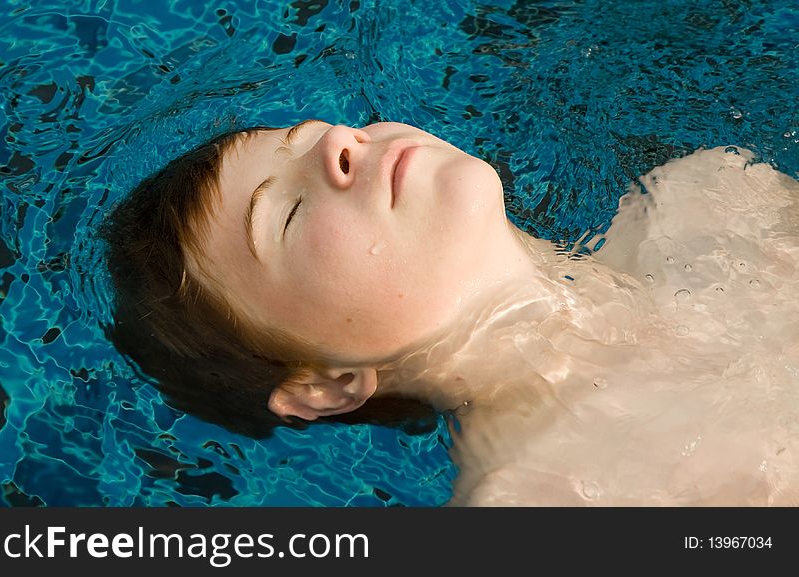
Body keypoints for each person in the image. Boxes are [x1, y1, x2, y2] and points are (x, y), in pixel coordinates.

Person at [101, 120, 799, 505]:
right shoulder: (535, 506)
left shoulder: (714, 199)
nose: (340, 145)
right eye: (286, 213)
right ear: (327, 384)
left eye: (317, 133)